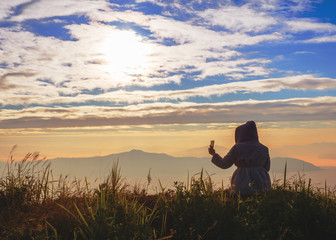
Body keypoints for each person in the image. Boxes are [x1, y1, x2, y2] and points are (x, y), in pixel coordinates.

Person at [208, 121, 271, 195]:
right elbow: (267, 168)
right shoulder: (264, 149)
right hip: (262, 185)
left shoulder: (237, 148)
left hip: (241, 185)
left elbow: (224, 164)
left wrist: (214, 154)